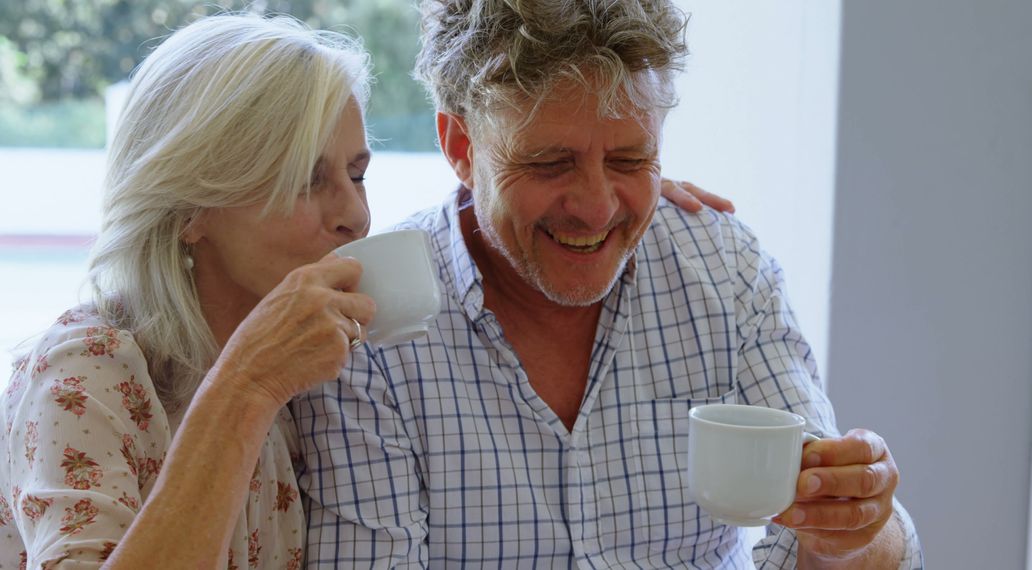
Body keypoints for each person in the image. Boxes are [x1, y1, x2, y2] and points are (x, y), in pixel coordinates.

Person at [0, 12, 725, 568]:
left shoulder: (315, 368)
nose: (352, 213)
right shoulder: (87, 374)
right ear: (191, 208)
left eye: (357, 173)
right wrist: (245, 386)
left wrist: (608, 201)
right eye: (307, 179)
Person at [293, 0, 925, 568]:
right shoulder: (374, 320)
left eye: (630, 160)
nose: (596, 209)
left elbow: (829, 533)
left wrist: (858, 524)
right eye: (549, 163)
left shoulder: (724, 268)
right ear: (461, 145)